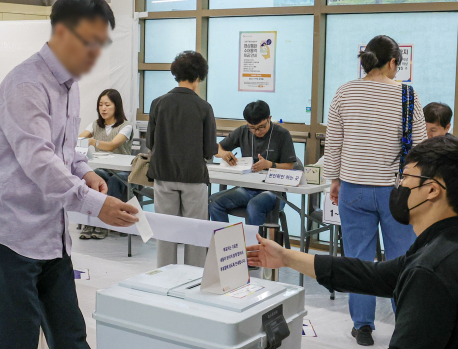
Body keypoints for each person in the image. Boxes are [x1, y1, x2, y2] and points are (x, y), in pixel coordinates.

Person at [0, 0, 139, 349]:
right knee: (18, 339)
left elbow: (64, 149)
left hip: (50, 234)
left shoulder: (70, 87)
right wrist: (95, 204)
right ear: (62, 33)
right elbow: (39, 161)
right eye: (89, 44)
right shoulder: (26, 84)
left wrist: (84, 170)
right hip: (9, 234)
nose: (94, 56)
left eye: (100, 46)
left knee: (70, 336)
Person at [248, 136, 458, 349]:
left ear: (432, 190)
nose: (399, 185)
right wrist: (286, 257)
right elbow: (369, 274)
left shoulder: (430, 273)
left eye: (405, 177)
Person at [324, 35, 427, 346]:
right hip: (395, 192)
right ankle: (406, 323)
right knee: (403, 257)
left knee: (358, 259)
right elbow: (421, 147)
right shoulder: (407, 95)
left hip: (353, 187)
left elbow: (335, 144)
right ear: (393, 62)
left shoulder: (344, 92)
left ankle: (363, 327)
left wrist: (334, 180)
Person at [147, 50, 217, 268]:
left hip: (163, 177)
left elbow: (150, 143)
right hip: (193, 178)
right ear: (198, 78)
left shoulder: (158, 103)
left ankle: (164, 278)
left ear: (176, 74)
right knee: (195, 236)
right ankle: (192, 281)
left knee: (165, 235)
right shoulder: (204, 107)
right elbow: (209, 150)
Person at [209, 101, 296, 226]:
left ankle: (255, 245)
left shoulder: (282, 134)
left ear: (269, 119)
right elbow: (217, 149)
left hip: (273, 192)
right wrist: (224, 154)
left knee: (255, 205)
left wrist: (270, 165)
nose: (257, 132)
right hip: (247, 188)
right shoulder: (243, 131)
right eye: (252, 128)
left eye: (261, 127)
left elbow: (290, 166)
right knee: (213, 202)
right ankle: (231, 243)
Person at [78, 88, 133, 240]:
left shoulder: (126, 126)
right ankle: (90, 221)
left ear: (116, 106)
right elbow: (78, 139)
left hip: (124, 170)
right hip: (104, 168)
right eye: (101, 104)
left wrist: (92, 141)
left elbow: (112, 145)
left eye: (107, 105)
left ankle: (104, 224)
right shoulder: (95, 124)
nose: (103, 108)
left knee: (115, 180)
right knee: (95, 177)